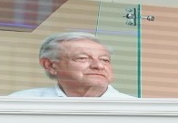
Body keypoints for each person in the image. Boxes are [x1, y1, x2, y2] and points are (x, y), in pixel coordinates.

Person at [9, 33, 138, 99]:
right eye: (82, 58)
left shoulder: (139, 110)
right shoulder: (22, 102)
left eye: (105, 60)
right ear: (50, 65)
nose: (98, 66)